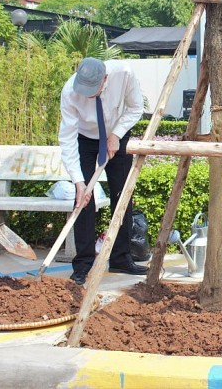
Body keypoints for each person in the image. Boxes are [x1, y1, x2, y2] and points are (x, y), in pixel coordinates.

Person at [58, 57, 146, 285]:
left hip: (117, 133)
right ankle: (83, 265)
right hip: (85, 139)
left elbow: (136, 108)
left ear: (104, 79)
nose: (87, 95)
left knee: (122, 195)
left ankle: (121, 258)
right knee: (84, 201)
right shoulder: (69, 91)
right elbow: (67, 138)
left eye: (92, 90)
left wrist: (116, 134)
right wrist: (78, 182)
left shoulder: (125, 73)